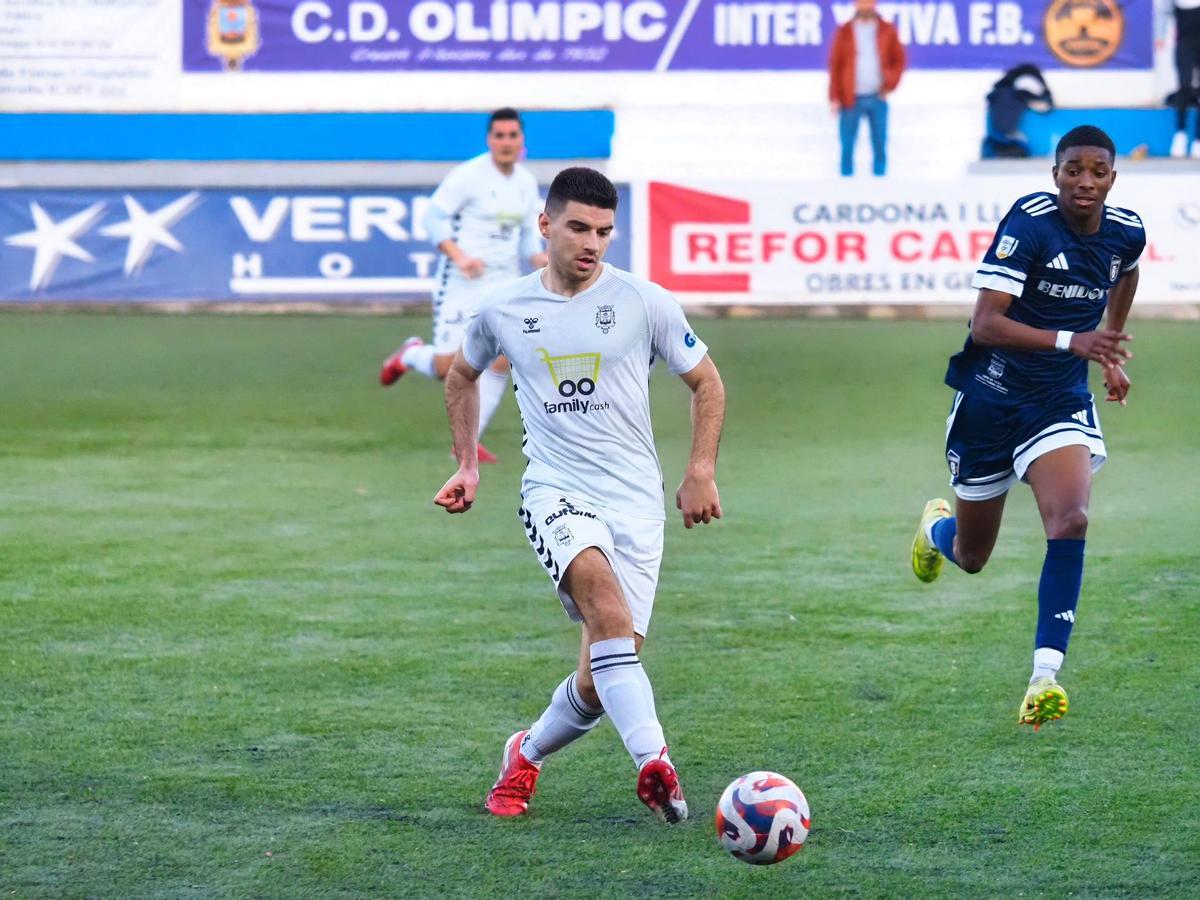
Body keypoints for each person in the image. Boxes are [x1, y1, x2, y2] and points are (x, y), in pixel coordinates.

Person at [433, 167, 725, 822]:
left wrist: (700, 468)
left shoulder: (644, 301)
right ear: (546, 225)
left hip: (636, 505)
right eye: (578, 227)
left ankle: (525, 754)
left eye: (604, 231)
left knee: (601, 678)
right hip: (556, 491)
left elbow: (708, 382)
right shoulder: (504, 308)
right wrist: (466, 465)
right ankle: (656, 763)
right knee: (609, 618)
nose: (592, 242)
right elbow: (461, 375)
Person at [911, 125, 1144, 731]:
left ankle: (1044, 677)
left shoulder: (1126, 232)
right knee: (972, 554)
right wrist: (1077, 339)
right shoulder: (1030, 224)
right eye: (1073, 170)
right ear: (1056, 175)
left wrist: (1109, 354)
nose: (1085, 182)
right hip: (990, 399)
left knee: (1070, 518)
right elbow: (985, 323)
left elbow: (1126, 272)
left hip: (1057, 399)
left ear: (1112, 179)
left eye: (1097, 171)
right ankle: (936, 529)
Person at [379, 107, 548, 463]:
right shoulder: (468, 176)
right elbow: (432, 217)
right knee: (448, 367)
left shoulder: (525, 183)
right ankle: (410, 355)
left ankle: (466, 444)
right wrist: (459, 256)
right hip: (462, 280)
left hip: (504, 281)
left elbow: (525, 238)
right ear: (490, 140)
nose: (506, 142)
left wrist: (539, 258)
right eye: (499, 136)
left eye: (512, 135)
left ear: (522, 140)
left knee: (503, 357)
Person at [828, 0, 906, 177]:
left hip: (877, 96)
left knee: (879, 144)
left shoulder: (886, 30)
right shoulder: (845, 31)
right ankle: (845, 188)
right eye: (861, 3)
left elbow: (899, 60)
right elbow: (835, 65)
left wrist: (889, 84)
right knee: (847, 146)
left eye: (868, 3)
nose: (865, 6)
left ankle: (879, 187)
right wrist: (834, 97)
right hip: (850, 98)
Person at [1159, 0, 1200, 158]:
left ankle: (1198, 139)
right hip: (1184, 43)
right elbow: (1163, 12)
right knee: (1184, 85)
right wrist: (1160, 35)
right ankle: (1180, 134)